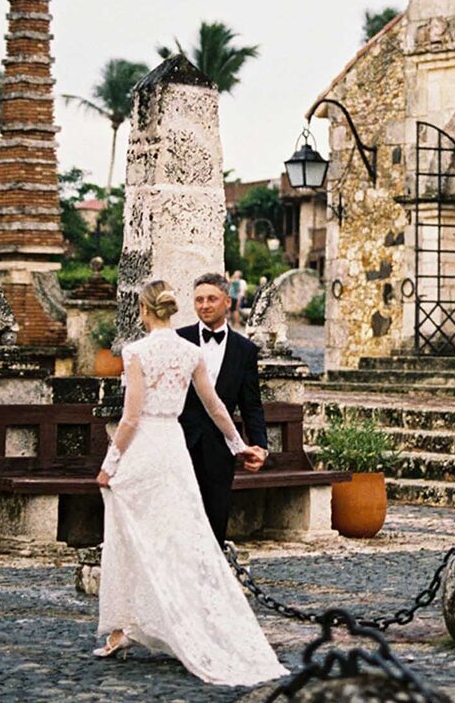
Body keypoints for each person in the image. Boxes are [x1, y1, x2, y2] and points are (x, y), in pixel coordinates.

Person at [93, 280, 287, 687]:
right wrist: (240, 445)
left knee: (128, 537)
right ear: (174, 310)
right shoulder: (191, 351)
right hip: (175, 450)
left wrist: (109, 464)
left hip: (145, 449)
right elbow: (218, 407)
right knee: (185, 537)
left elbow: (129, 420)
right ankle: (136, 627)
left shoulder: (135, 351)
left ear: (144, 312)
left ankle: (126, 627)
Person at [177, 272, 268, 543]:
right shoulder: (178, 340)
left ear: (227, 302)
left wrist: (260, 446)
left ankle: (211, 580)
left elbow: (251, 405)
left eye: (211, 299)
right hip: (179, 444)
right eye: (199, 300)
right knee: (178, 518)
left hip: (220, 448)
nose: (204, 305)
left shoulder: (245, 350)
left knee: (216, 518)